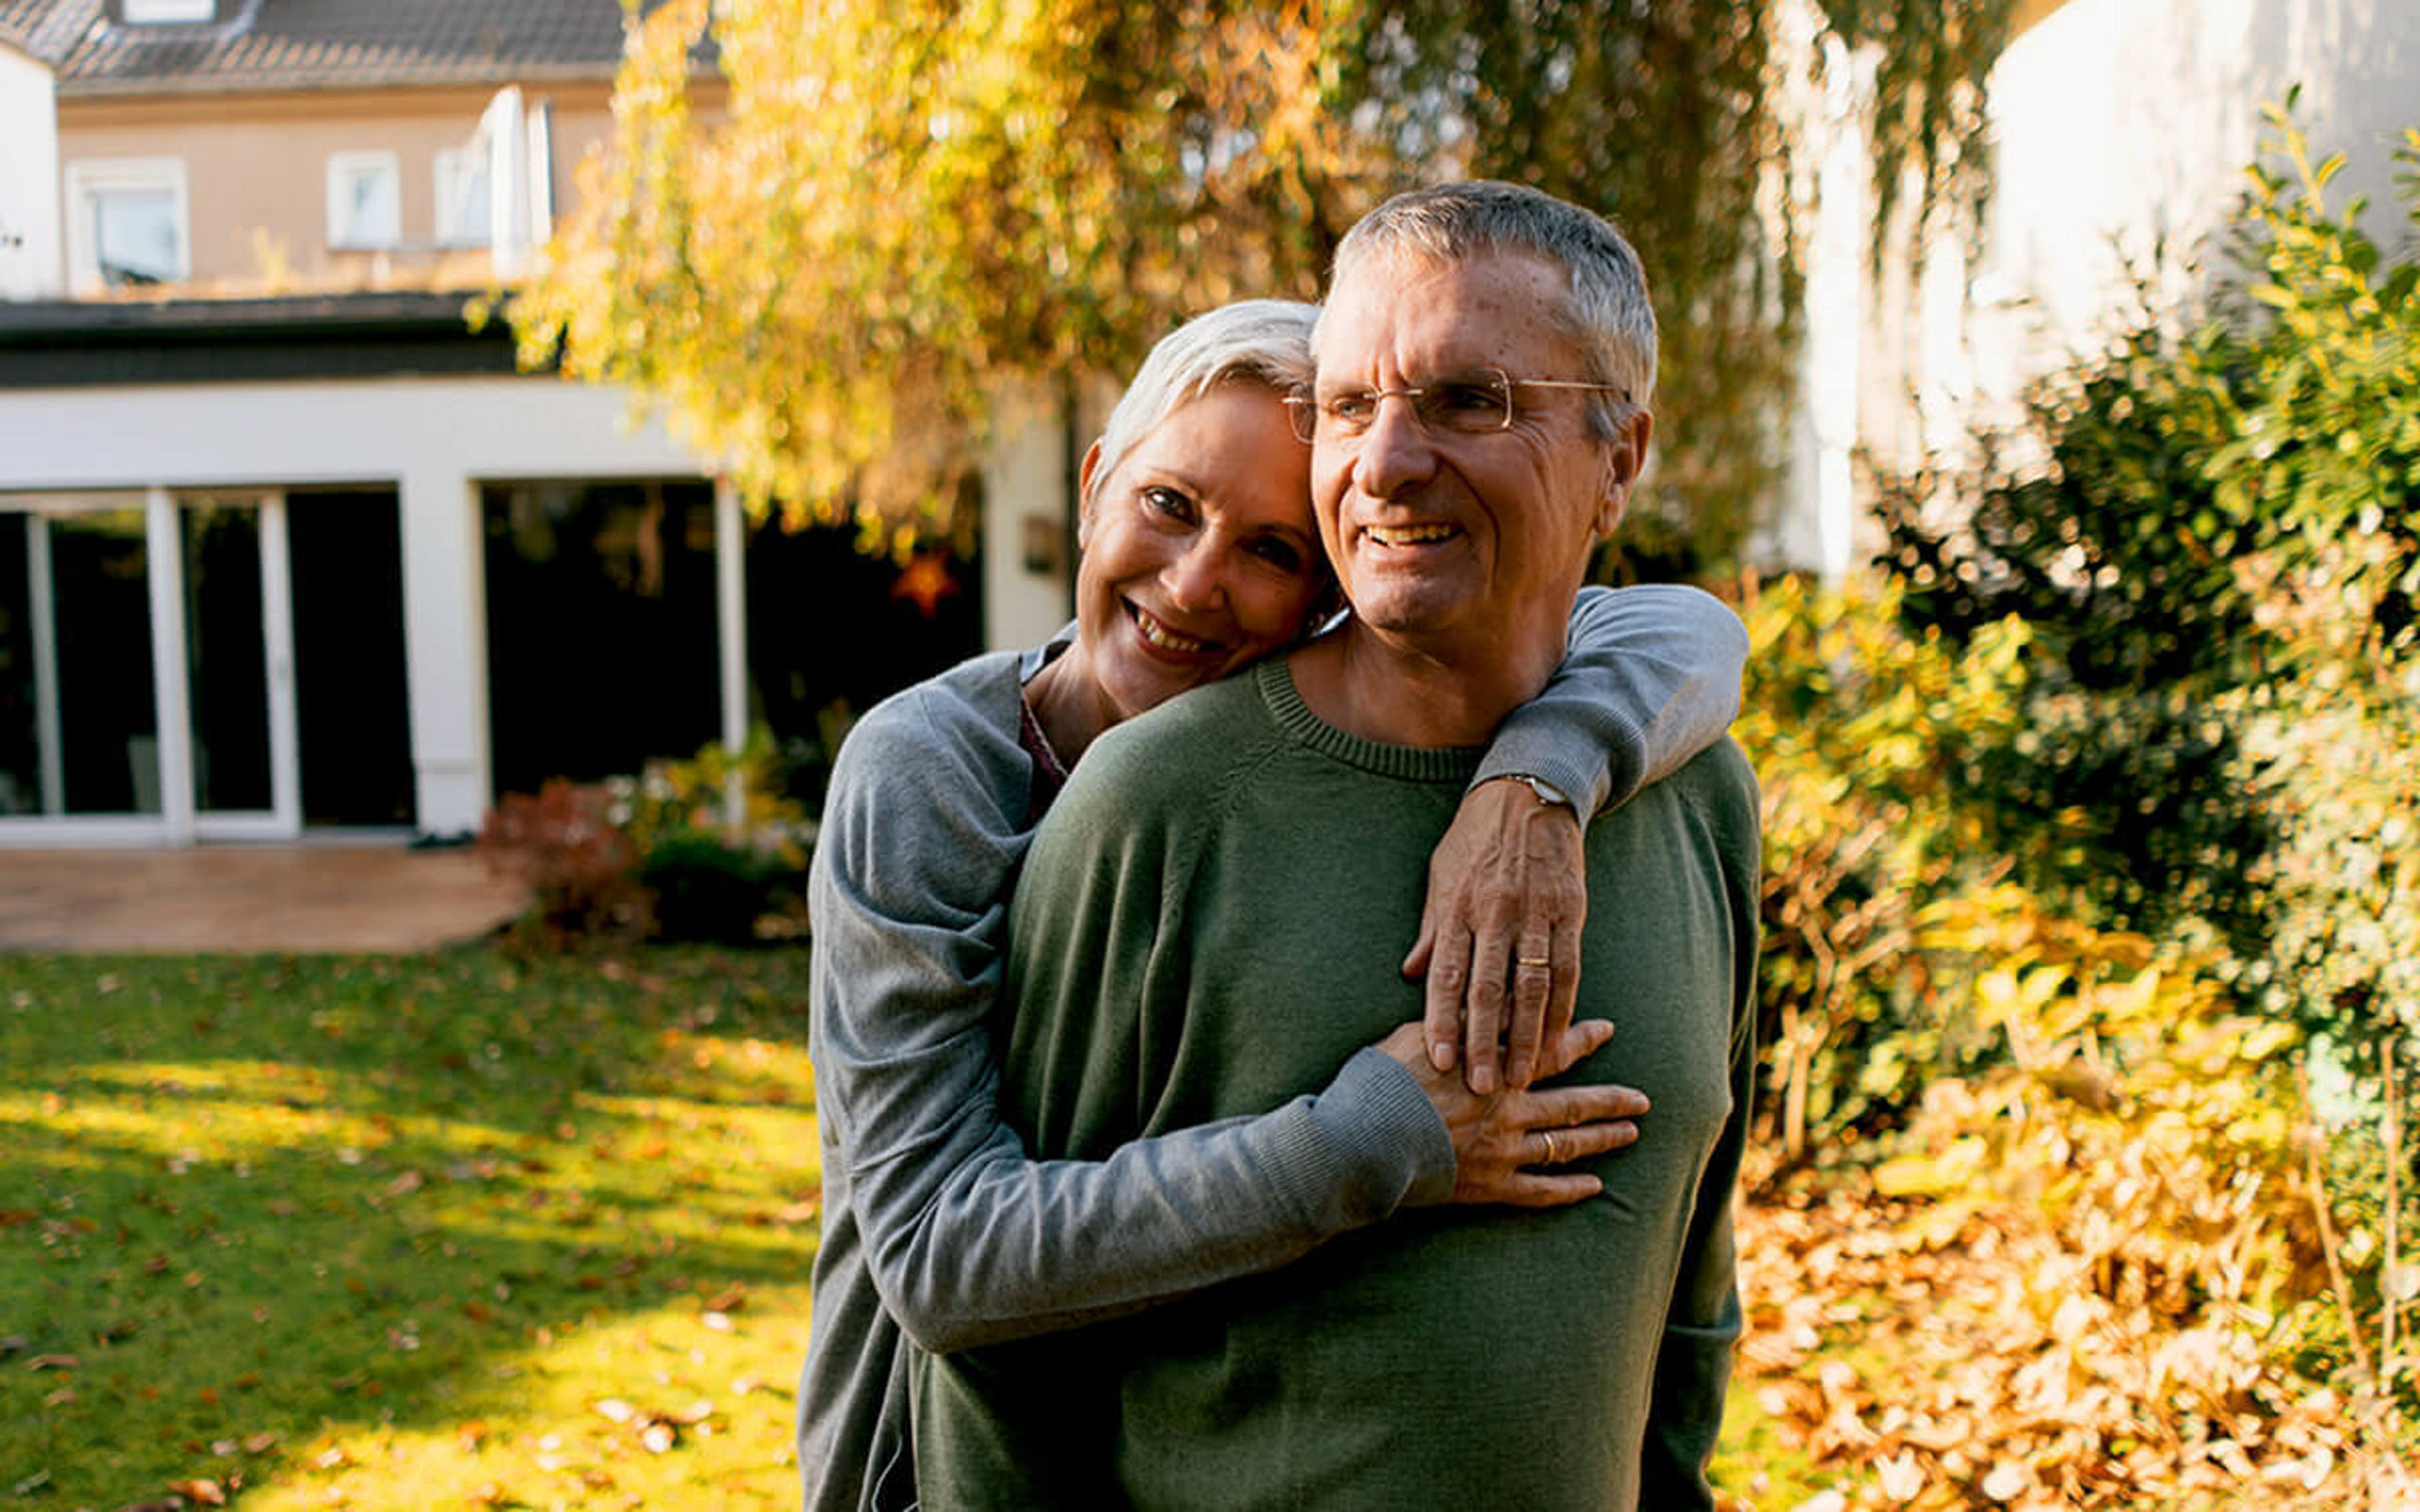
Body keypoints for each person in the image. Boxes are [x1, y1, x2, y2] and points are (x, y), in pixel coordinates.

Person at [800, 299, 1750, 1511]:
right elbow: (944, 1255)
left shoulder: (1271, 777)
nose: (1193, 585)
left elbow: (1690, 630)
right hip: (908, 1462)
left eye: (1269, 550)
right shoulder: (929, 771)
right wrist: (1376, 1138)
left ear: (1333, 589)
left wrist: (1538, 776)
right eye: (1168, 506)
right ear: (1096, 485)